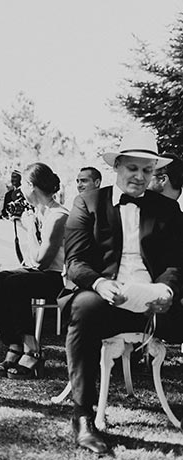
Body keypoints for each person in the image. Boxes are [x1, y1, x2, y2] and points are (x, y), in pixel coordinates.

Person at [63, 129, 183, 454]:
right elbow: (75, 263)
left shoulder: (168, 210)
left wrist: (167, 291)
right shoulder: (87, 203)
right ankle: (84, 417)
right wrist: (101, 284)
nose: (141, 177)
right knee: (84, 308)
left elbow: (176, 262)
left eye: (148, 171)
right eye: (133, 168)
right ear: (117, 166)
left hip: (155, 302)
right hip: (106, 299)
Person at [0, 163, 68, 381]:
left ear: (31, 186)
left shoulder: (58, 216)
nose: (21, 189)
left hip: (60, 278)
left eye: (23, 184)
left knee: (15, 284)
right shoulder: (40, 212)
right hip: (41, 273)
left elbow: (42, 261)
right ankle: (14, 345)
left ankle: (33, 350)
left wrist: (30, 231)